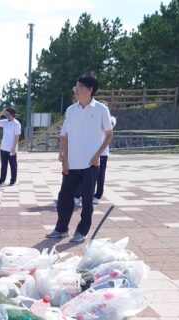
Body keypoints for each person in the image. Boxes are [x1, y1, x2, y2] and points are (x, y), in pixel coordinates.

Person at [47, 74, 113, 243]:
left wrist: (97, 156)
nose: (76, 90)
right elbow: (66, 135)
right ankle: (61, 229)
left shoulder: (100, 109)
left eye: (80, 87)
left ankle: (81, 232)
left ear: (90, 90)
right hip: (72, 163)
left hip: (90, 164)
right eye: (76, 87)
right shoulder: (71, 110)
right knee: (64, 199)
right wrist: (64, 159)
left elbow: (109, 134)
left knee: (87, 201)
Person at [0, 107, 21, 186]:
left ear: (11, 114)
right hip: (3, 148)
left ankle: (13, 180)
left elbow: (17, 137)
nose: (5, 115)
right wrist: (0, 113)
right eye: (5, 114)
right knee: (3, 165)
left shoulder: (16, 123)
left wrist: (14, 148)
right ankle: (2, 180)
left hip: (11, 148)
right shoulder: (5, 122)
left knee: (13, 165)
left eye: (7, 113)